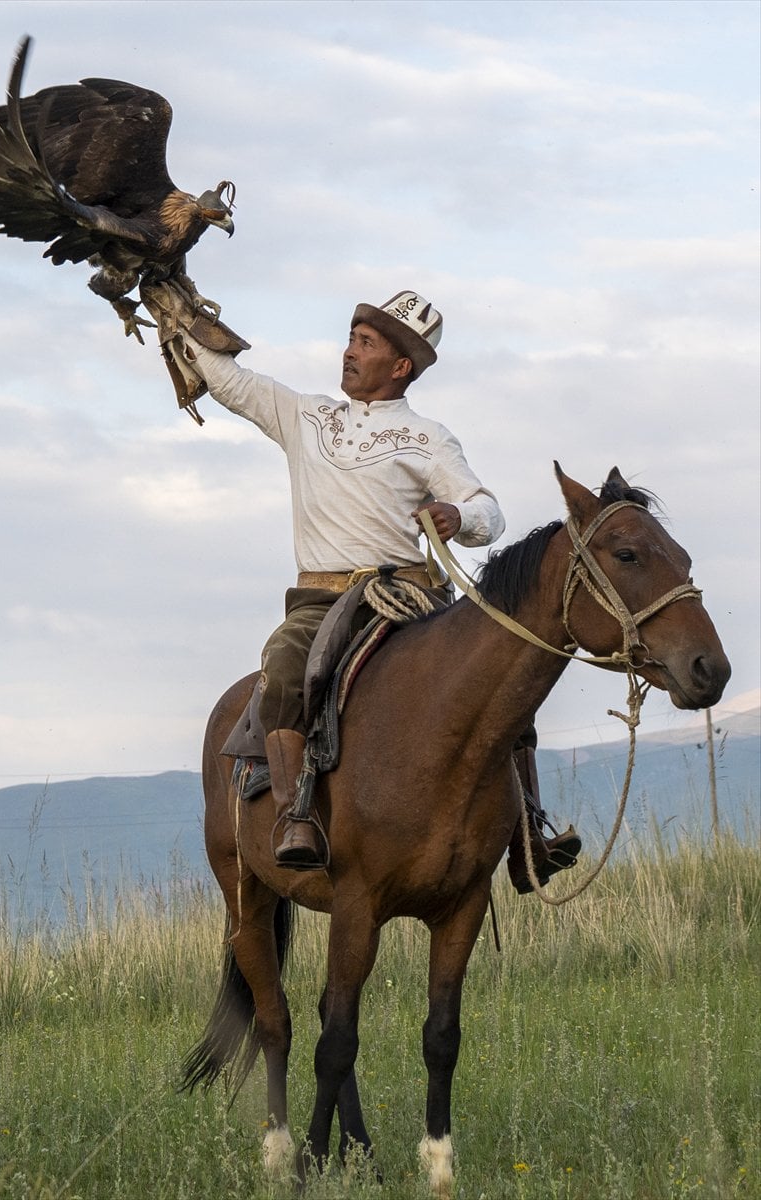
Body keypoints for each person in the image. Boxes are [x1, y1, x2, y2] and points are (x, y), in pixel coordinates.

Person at [182, 290, 580, 884]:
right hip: (321, 600)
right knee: (285, 663)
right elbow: (229, 382)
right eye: (350, 338)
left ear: (400, 367)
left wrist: (457, 517)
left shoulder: (429, 439)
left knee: (497, 682)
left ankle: (528, 837)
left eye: (365, 344)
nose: (348, 352)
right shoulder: (305, 415)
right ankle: (296, 817)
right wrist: (173, 313)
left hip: (411, 598)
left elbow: (488, 511)